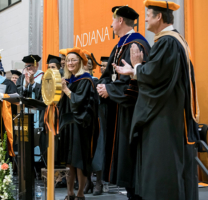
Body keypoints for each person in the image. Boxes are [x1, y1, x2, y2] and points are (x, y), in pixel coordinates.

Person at [113, 1, 199, 199]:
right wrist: (135, 71)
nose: (144, 19)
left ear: (158, 17)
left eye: (148, 15)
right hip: (171, 113)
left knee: (163, 170)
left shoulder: (168, 42)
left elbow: (155, 76)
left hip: (165, 118)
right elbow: (159, 74)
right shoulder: (175, 41)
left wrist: (137, 67)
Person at [96, 6, 151, 200]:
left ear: (120, 21)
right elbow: (107, 75)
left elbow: (134, 84)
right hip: (119, 111)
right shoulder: (121, 45)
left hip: (130, 114)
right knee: (126, 166)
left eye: (112, 20)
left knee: (132, 165)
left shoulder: (136, 45)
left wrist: (109, 90)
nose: (111, 24)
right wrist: (103, 87)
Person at [58, 47, 98, 200]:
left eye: (73, 60)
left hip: (81, 125)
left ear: (81, 62)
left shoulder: (86, 80)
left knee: (79, 160)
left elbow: (80, 102)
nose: (70, 62)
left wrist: (66, 90)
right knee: (69, 162)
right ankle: (69, 193)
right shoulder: (68, 80)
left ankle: (80, 194)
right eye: (68, 60)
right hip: (68, 125)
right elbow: (63, 105)